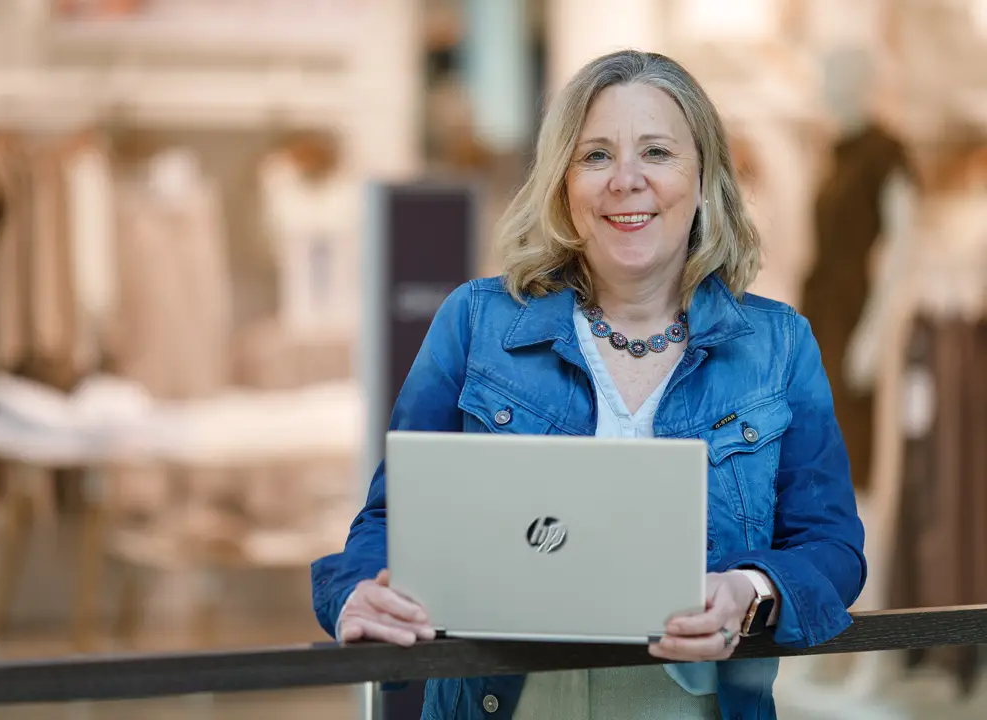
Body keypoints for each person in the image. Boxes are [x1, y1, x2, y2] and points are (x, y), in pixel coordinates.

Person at [310, 49, 866, 720]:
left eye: (657, 153)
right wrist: (356, 591)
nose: (626, 181)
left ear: (704, 178)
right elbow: (390, 521)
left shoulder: (779, 346)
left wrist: (750, 589)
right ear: (562, 185)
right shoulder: (475, 323)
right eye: (596, 156)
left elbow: (832, 548)